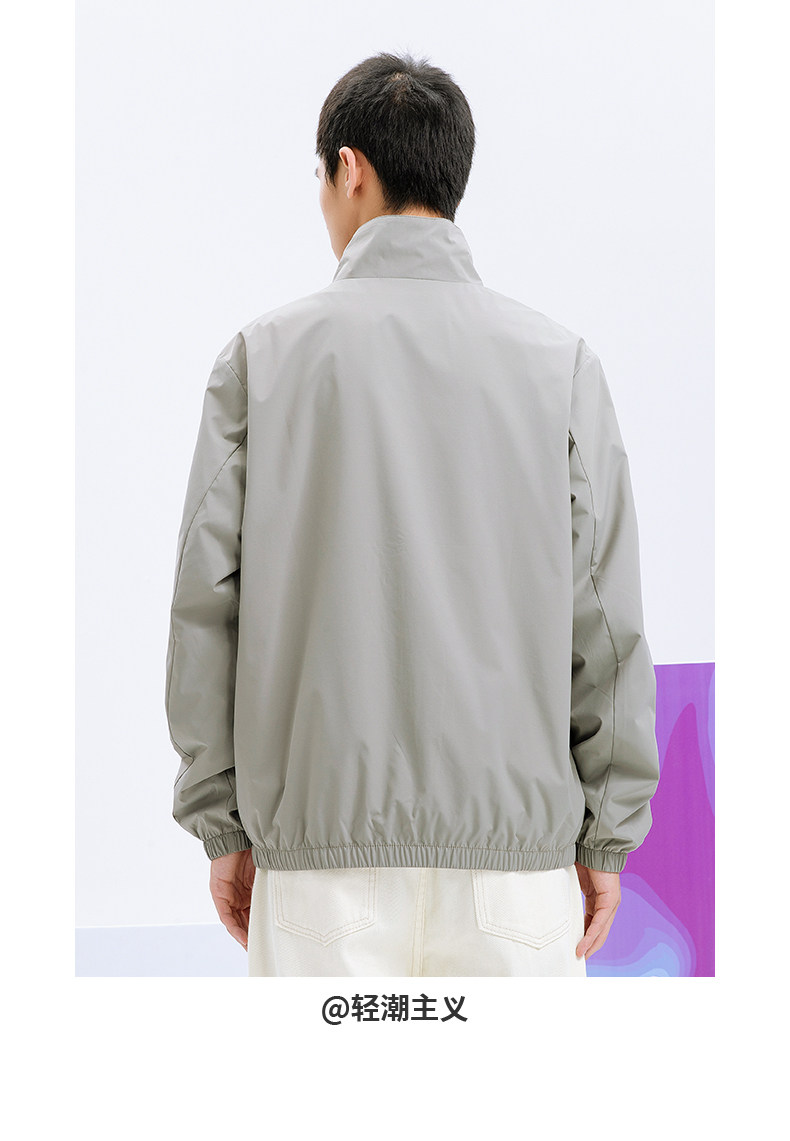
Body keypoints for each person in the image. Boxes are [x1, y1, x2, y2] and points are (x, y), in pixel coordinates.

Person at [164, 51, 661, 977]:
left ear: (350, 168)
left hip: (318, 866)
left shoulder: (262, 360)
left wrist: (221, 823)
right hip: (516, 871)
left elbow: (205, 608)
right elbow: (605, 621)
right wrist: (607, 833)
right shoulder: (560, 365)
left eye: (320, 176)